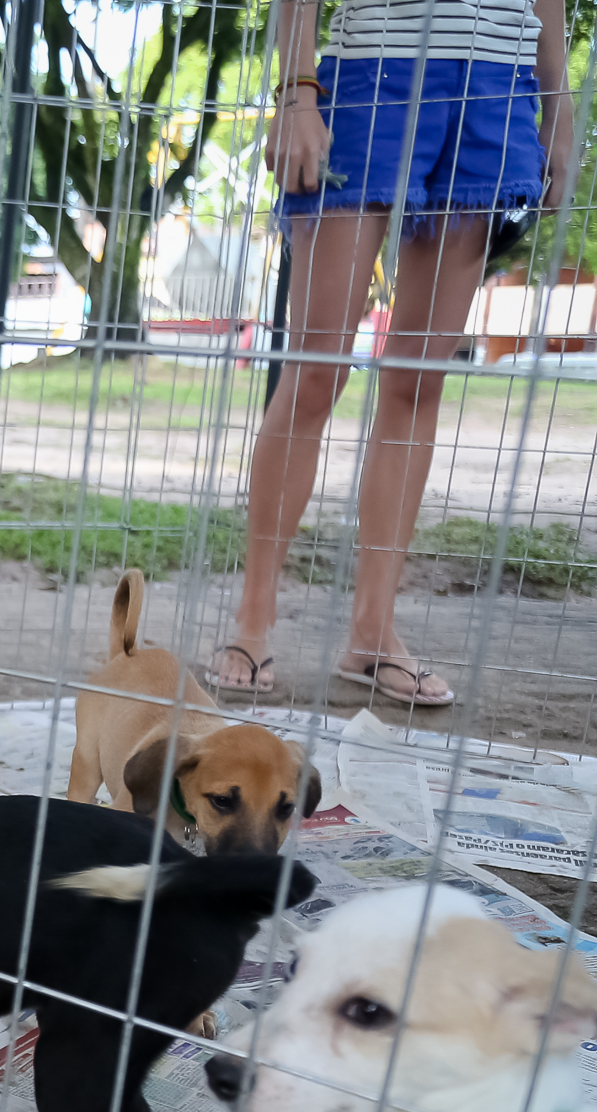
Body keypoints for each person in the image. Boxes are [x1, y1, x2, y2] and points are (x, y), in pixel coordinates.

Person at [210, 0, 572, 707]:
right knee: (316, 371)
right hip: (371, 75)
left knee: (417, 380)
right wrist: (294, 92)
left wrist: (556, 109)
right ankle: (252, 621)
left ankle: (372, 634)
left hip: (496, 89)